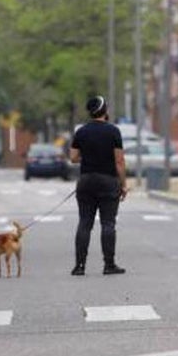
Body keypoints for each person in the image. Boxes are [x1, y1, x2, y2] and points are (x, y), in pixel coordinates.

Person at [68, 95, 127, 276]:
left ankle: (79, 266)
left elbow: (73, 158)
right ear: (105, 111)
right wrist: (123, 184)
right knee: (108, 223)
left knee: (85, 223)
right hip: (108, 181)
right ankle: (109, 265)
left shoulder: (81, 132)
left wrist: (89, 155)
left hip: (86, 181)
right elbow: (119, 161)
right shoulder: (113, 131)